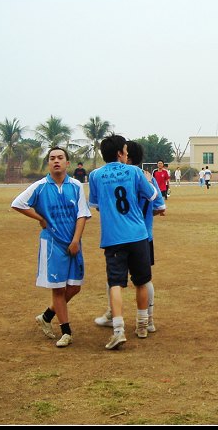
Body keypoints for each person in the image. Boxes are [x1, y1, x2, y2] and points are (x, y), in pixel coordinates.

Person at [11, 147, 91, 348]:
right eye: (52, 158)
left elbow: (82, 214)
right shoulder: (40, 186)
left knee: (75, 287)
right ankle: (66, 332)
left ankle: (46, 316)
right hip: (52, 243)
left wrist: (75, 241)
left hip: (73, 243)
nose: (56, 161)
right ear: (48, 163)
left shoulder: (76, 186)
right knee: (58, 289)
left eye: (60, 158)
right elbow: (18, 203)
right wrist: (40, 218)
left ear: (67, 163)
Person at [88, 134, 159, 350]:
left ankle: (118, 329)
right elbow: (152, 195)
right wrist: (147, 183)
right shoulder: (135, 172)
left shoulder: (95, 175)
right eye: (126, 151)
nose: (127, 155)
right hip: (138, 234)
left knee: (115, 283)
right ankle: (142, 325)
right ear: (120, 153)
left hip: (113, 238)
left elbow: (96, 204)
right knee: (142, 281)